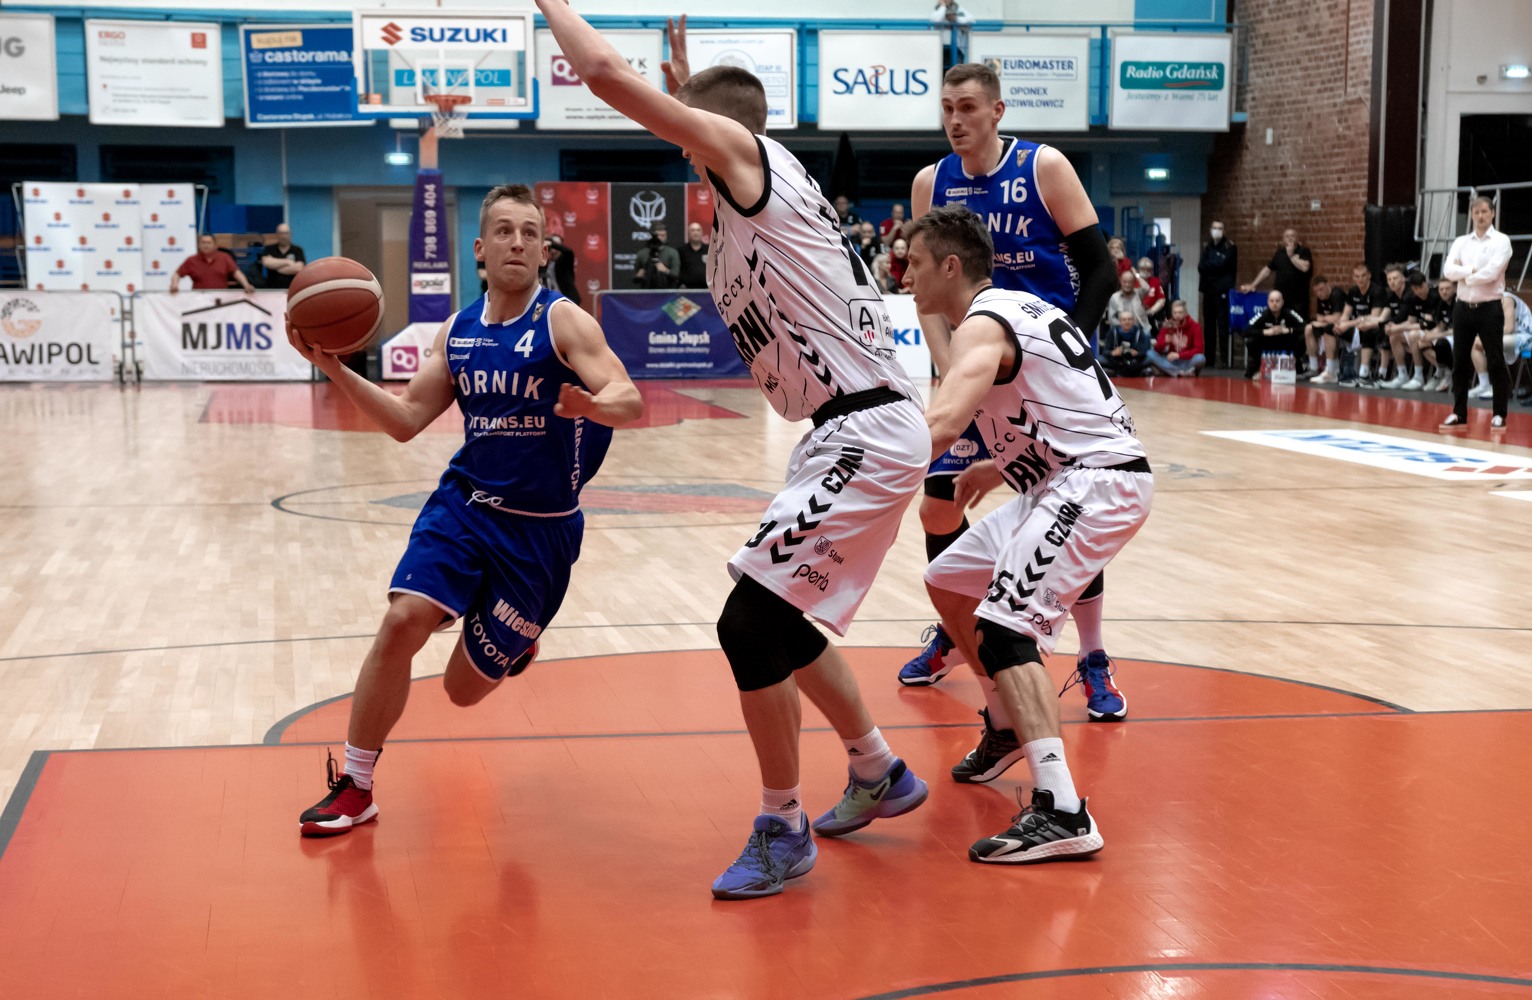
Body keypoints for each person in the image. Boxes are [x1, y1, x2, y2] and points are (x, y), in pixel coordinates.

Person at [540, 0, 932, 900]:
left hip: (866, 426)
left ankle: (781, 824)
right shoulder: (744, 189)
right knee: (780, 617)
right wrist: (684, 72)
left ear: (715, 133)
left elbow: (604, 77)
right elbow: (701, 111)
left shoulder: (753, 164)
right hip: (843, 427)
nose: (682, 150)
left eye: (689, 133)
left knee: (747, 625)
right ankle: (876, 768)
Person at [293, 183, 644, 837]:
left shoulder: (564, 322)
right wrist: (335, 367)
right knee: (402, 621)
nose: (518, 242)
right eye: (505, 231)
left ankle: (517, 642)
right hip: (465, 506)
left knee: (461, 692)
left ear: (544, 251)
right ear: (480, 248)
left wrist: (594, 405)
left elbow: (629, 398)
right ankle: (357, 786)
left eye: (530, 233)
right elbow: (406, 420)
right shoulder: (458, 332)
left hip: (538, 534)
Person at [903, 205, 1153, 863]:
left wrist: (858, 466)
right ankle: (1008, 723)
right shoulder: (1018, 308)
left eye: (915, 263)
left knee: (1008, 626)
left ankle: (1062, 809)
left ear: (950, 267)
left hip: (1095, 484)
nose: (904, 276)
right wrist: (997, 466)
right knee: (948, 579)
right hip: (1066, 477)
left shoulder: (982, 324)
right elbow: (1061, 396)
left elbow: (943, 422)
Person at [902, 61, 1124, 747]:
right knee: (939, 503)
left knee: (1067, 508)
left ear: (997, 111)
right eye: (947, 107)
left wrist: (1066, 355)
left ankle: (1093, 656)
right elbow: (929, 295)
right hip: (976, 367)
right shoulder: (931, 182)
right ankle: (957, 626)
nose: (955, 119)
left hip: (1047, 374)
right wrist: (953, 373)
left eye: (968, 106)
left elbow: (1102, 271)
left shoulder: (1043, 167)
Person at [1441, 196, 1514, 430]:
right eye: (1476, 212)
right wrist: (1471, 270)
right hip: (1463, 307)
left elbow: (1492, 273)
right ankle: (1459, 412)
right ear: (1472, 214)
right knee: (1460, 362)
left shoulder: (1501, 241)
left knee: (1495, 360)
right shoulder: (1461, 242)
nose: (1480, 216)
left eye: (1484, 211)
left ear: (1492, 213)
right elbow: (1448, 270)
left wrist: (1465, 276)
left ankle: (1499, 413)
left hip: (1489, 308)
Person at [1241, 227, 1313, 322]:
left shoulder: (1304, 251)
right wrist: (1253, 285)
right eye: (1287, 236)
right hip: (1281, 298)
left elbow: (1305, 268)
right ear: (1283, 239)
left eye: (1292, 236)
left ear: (1297, 238)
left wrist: (1291, 255)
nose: (1290, 238)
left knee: (1299, 324)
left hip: (1298, 299)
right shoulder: (1280, 253)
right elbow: (1267, 270)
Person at [1334, 263, 1388, 388]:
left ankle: (1364, 374)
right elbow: (1346, 314)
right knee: (1329, 329)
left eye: (1363, 276)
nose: (1360, 279)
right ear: (1353, 277)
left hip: (1374, 327)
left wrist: (1347, 324)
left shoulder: (1377, 290)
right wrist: (1340, 324)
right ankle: (1332, 370)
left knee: (1366, 329)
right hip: (1357, 326)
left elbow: (1373, 318)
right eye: (1357, 276)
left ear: (1369, 275)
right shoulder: (1353, 290)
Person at [1242, 289, 1305, 380]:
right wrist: (1266, 332)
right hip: (1268, 343)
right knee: (1251, 342)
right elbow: (1246, 331)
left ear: (1282, 302)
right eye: (1272, 301)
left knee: (1302, 338)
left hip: (1286, 343)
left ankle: (1294, 366)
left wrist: (1288, 330)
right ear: (1268, 302)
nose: (1274, 304)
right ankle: (1260, 367)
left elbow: (1305, 327)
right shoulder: (1263, 314)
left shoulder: (1290, 313)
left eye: (1277, 301)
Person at [1198, 222, 1237, 366]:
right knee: (1209, 326)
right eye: (1214, 228)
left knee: (1223, 326)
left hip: (1222, 291)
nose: (1217, 231)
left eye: (1220, 228)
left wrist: (1209, 266)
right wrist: (1212, 265)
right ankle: (1209, 359)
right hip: (1208, 290)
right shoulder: (1207, 246)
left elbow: (1222, 265)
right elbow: (1200, 266)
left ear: (1224, 230)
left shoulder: (1230, 247)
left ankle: (1226, 360)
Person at [171, 234, 255, 294]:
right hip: (198, 300)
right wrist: (174, 285)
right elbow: (177, 274)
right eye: (203, 243)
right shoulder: (191, 260)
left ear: (215, 245)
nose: (206, 245)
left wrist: (246, 285)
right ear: (198, 245)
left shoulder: (224, 257)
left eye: (209, 243)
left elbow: (236, 272)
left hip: (221, 299)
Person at [1304, 275, 1348, 383]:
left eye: (1321, 289)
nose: (1319, 293)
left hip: (1346, 326)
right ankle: (1314, 368)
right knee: (1308, 328)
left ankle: (1331, 370)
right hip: (1330, 325)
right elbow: (1319, 317)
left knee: (1328, 330)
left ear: (1328, 285)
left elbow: (1337, 318)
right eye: (1316, 291)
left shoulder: (1336, 294)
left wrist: (1324, 320)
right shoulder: (1320, 298)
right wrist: (1326, 319)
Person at [1152, 299, 1206, 376]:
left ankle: (1170, 371)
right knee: (1150, 353)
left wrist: (1179, 355)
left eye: (1180, 312)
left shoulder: (1195, 326)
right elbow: (1156, 349)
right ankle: (1178, 372)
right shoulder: (1168, 325)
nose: (1177, 315)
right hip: (1171, 360)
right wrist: (1165, 342)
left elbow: (1199, 349)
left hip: (1187, 360)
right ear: (1172, 313)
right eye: (1175, 313)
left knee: (1200, 358)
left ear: (1185, 313)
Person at [1423, 277, 1458, 392]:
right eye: (1441, 289)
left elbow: (1457, 330)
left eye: (1447, 288)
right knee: (1422, 343)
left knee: (1441, 343)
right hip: (1447, 334)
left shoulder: (1459, 303)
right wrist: (1429, 334)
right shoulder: (1442, 303)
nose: (1444, 292)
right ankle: (1444, 372)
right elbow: (1441, 325)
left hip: (1460, 336)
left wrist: (1435, 336)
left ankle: (1444, 375)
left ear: (1455, 289)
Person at [1101, 310, 1151, 377]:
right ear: (1120, 321)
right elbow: (1105, 351)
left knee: (1149, 358)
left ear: (1133, 321)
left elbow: (1144, 351)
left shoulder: (1139, 332)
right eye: (1124, 320)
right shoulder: (1112, 331)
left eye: (1129, 319)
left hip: (1134, 360)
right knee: (1099, 359)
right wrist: (1112, 353)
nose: (1127, 322)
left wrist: (1137, 353)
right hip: (1117, 360)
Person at [256, 223, 306, 289]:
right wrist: (288, 262)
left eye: (286, 233)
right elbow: (266, 262)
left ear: (290, 234)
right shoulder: (269, 249)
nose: (283, 236)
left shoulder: (298, 250)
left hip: (291, 289)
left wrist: (275, 267)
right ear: (277, 234)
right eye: (281, 233)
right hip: (271, 289)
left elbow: (299, 268)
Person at [1106, 268, 1150, 333]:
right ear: (1120, 282)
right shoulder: (1114, 297)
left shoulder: (1138, 293)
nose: (1127, 285)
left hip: (1141, 327)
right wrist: (1125, 325)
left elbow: (1146, 288)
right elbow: (1112, 319)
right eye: (1125, 282)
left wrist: (1136, 275)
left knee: (1147, 334)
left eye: (1130, 282)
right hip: (1122, 329)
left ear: (1133, 283)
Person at [1134, 257, 1166, 325]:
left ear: (1152, 271)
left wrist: (1152, 310)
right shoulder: (1132, 281)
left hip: (1150, 314)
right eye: (1143, 269)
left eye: (1148, 269)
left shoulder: (1156, 281)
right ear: (1138, 269)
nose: (1145, 271)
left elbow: (1161, 300)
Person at [677, 221, 708, 289]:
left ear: (702, 233)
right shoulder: (681, 251)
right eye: (692, 230)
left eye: (698, 230)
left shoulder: (709, 250)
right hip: (687, 290)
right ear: (688, 233)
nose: (695, 233)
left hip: (707, 290)